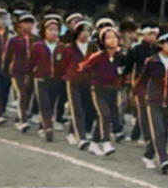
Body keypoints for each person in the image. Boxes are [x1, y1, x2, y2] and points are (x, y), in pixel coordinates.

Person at [134, 32, 168, 174]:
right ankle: (163, 159)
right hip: (154, 101)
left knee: (164, 131)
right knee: (158, 130)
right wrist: (136, 92)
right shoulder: (152, 61)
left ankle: (148, 155)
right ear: (161, 45)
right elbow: (143, 79)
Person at [78, 27, 126, 157]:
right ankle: (106, 142)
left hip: (113, 91)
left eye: (114, 37)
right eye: (108, 38)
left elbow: (123, 71)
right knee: (105, 115)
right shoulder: (98, 57)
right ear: (103, 41)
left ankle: (94, 143)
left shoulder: (120, 57)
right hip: (99, 90)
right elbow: (83, 68)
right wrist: (93, 79)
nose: (112, 40)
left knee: (105, 116)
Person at [29, 19, 67, 142]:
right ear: (44, 31)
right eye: (50, 30)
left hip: (56, 79)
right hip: (41, 78)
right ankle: (48, 128)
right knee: (44, 103)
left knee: (51, 104)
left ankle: (42, 127)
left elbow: (65, 64)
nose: (53, 32)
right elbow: (31, 62)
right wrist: (31, 73)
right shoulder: (38, 46)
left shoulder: (62, 47)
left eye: (56, 30)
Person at [61, 20, 96, 150]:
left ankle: (72, 132)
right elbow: (64, 63)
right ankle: (81, 137)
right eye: (82, 31)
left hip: (88, 81)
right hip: (73, 81)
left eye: (88, 31)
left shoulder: (93, 47)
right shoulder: (69, 48)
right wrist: (68, 74)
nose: (85, 34)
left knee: (86, 107)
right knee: (76, 108)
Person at [3, 13, 38, 131]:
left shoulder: (36, 39)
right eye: (25, 22)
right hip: (17, 72)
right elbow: (8, 56)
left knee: (28, 95)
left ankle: (20, 116)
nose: (28, 25)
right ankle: (22, 121)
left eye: (31, 23)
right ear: (19, 24)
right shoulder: (14, 40)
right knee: (22, 94)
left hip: (31, 73)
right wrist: (5, 69)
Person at [125, 25, 159, 144]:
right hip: (140, 82)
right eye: (149, 34)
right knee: (143, 109)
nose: (152, 36)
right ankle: (147, 137)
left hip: (153, 83)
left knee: (147, 109)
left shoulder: (157, 49)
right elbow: (129, 66)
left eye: (154, 34)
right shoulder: (136, 49)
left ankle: (135, 134)